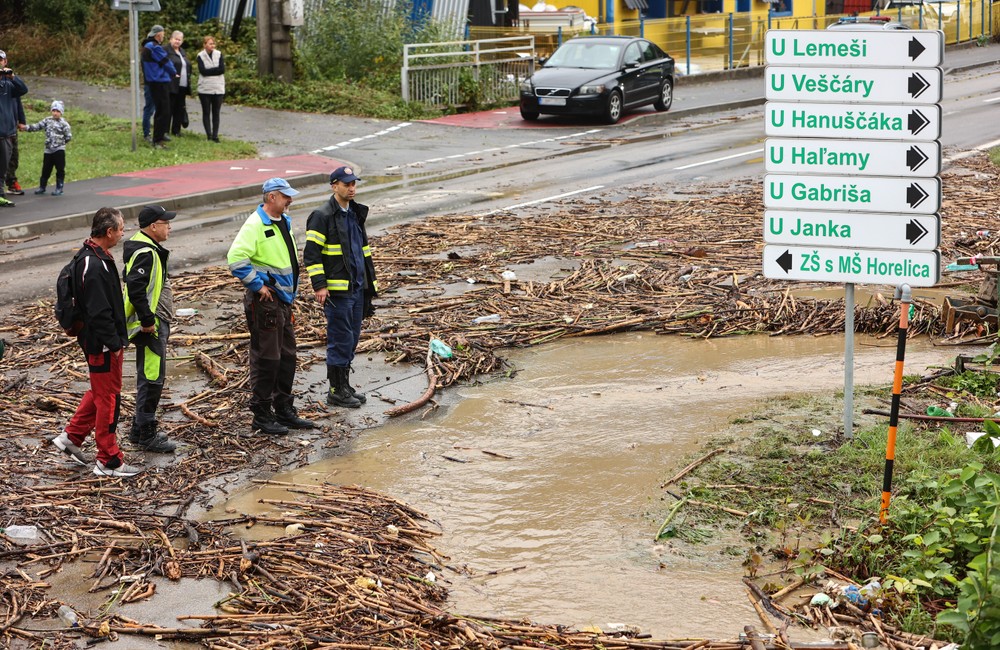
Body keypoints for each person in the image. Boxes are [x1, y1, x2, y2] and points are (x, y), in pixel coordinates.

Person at [51, 207, 143, 478]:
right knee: (109, 399)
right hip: (101, 345)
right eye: (121, 227)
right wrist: (114, 344)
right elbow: (98, 311)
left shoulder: (95, 257)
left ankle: (72, 437)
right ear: (108, 231)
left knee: (102, 392)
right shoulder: (93, 264)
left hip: (101, 342)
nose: (124, 231)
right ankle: (109, 460)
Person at [227, 178, 316, 435]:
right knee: (267, 357)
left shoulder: (283, 222)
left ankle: (284, 408)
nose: (290, 200)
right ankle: (262, 414)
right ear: (272, 197)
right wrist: (258, 285)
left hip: (283, 301)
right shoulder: (255, 224)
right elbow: (235, 259)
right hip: (266, 302)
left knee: (287, 355)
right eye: (286, 196)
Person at [304, 166, 378, 409]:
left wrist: (369, 286)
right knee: (340, 339)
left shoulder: (355, 213)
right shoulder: (322, 215)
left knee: (352, 338)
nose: (352, 188)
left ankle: (344, 386)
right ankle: (335, 390)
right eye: (346, 184)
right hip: (337, 292)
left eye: (354, 183)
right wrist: (320, 285)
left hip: (356, 288)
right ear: (334, 186)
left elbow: (362, 252)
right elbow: (312, 256)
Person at [123, 205, 179, 454]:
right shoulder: (146, 252)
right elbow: (135, 288)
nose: (169, 227)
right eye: (166, 223)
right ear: (153, 226)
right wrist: (147, 320)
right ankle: (146, 433)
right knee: (152, 378)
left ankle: (138, 429)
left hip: (153, 322)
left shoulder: (146, 247)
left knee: (150, 375)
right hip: (150, 326)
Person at [22, 100, 72, 196]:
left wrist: (61, 143)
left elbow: (68, 136)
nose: (55, 113)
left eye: (57, 111)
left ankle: (59, 187)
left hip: (59, 149)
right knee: (46, 168)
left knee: (60, 168)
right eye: (53, 111)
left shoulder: (64, 124)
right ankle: (42, 186)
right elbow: (37, 126)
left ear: (61, 112)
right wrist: (26, 127)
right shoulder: (47, 120)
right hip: (48, 150)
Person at [140, 25, 175, 149]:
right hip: (158, 81)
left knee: (160, 110)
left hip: (153, 81)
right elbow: (166, 61)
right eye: (163, 35)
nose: (163, 37)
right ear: (158, 35)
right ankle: (158, 140)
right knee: (163, 111)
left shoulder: (146, 46)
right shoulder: (154, 47)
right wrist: (173, 72)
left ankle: (157, 137)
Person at [0, 51, 28, 208]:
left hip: (8, 130)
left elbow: (23, 91)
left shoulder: (10, 84)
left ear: (5, 62)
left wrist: (12, 76)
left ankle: (5, 188)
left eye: (1, 60)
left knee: (6, 162)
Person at [196, 36, 225, 142]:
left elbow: (222, 69)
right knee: (206, 111)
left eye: (213, 43)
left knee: (216, 112)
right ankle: (209, 134)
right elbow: (203, 71)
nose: (212, 45)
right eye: (210, 43)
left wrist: (211, 71)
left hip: (218, 87)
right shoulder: (200, 56)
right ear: (204, 45)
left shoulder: (219, 54)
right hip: (205, 88)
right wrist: (215, 70)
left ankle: (215, 135)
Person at [165, 31, 191, 138]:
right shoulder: (165, 50)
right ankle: (165, 130)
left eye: (179, 39)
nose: (177, 41)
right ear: (170, 39)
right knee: (168, 108)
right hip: (171, 85)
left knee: (179, 108)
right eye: (175, 38)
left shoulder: (182, 52)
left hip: (182, 85)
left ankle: (176, 130)